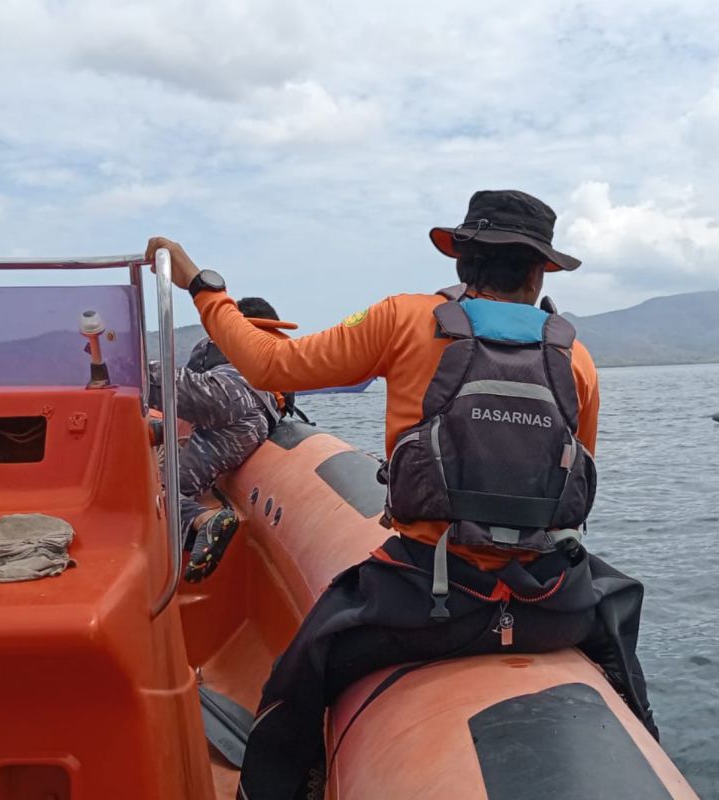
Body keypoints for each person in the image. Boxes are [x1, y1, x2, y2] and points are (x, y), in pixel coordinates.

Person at [146, 189, 657, 799]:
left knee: (296, 679)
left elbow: (269, 366)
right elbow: (578, 492)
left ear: (463, 263)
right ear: (540, 269)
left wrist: (203, 285)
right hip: (552, 599)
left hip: (424, 603)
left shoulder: (404, 319)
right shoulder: (577, 356)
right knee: (619, 610)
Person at [149, 297, 298, 583]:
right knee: (169, 487)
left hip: (231, 391)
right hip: (253, 425)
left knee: (158, 382)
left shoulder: (234, 344)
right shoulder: (274, 350)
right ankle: (205, 520)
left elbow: (194, 395)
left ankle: (121, 363)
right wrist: (159, 431)